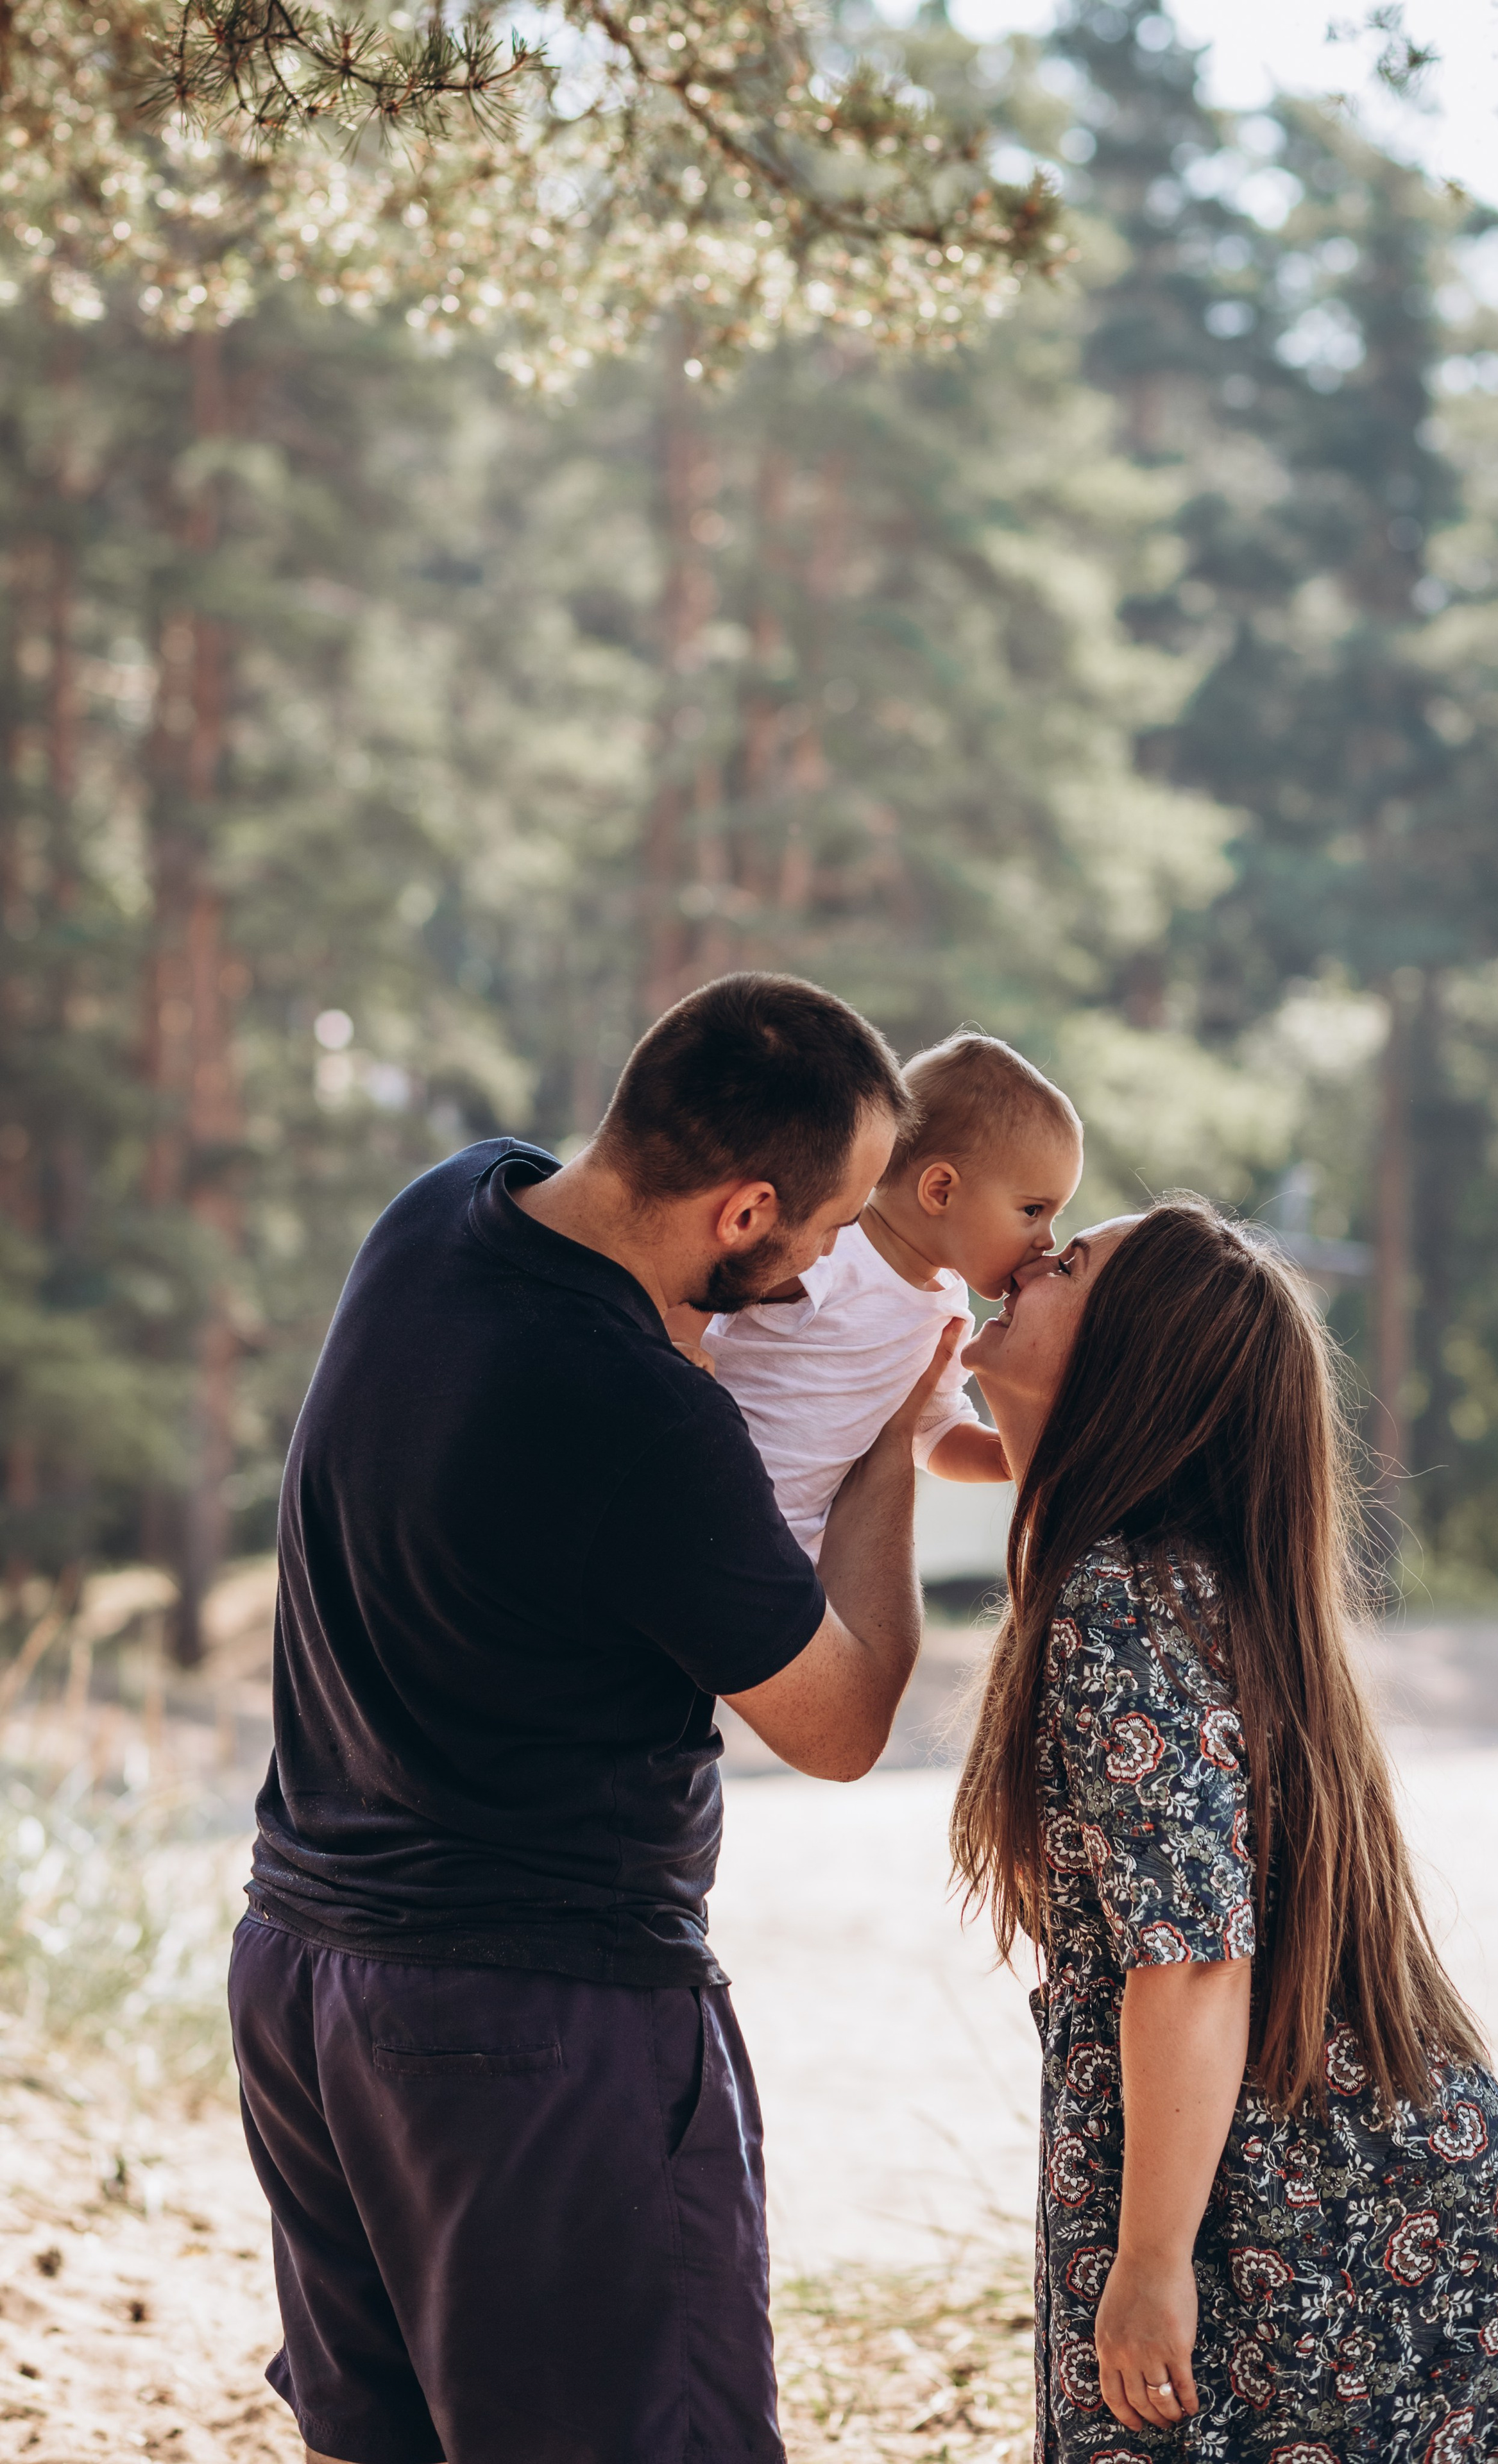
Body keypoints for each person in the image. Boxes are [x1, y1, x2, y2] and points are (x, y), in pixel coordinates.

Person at [228, 971, 960, 2464]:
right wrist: (887, 1443)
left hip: (304, 1978)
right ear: (743, 1211)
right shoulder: (644, 1422)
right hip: (529, 2025)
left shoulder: (444, 1208)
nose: (834, 1265)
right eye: (834, 1225)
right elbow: (836, 1723)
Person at [950, 1198, 1498, 2463]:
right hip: (1374, 2206)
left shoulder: (1119, 1596)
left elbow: (1191, 1959)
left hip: (1304, 2240)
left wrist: (1146, 2264)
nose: (1023, 1267)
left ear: (1127, 1361)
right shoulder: (1181, 1578)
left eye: (1067, 1263)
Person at [682, 1033, 1084, 1559]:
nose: (1048, 1239)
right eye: (1033, 1210)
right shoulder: (830, 1248)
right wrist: (680, 1343)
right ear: (940, 1190)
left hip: (788, 1553)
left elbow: (933, 1429)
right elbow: (707, 1276)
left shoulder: (945, 1311)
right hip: (698, 1497)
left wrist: (1006, 1457)